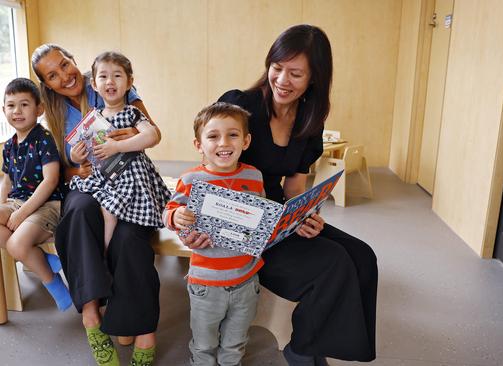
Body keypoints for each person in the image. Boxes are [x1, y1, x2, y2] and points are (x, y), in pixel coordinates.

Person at [183, 25, 378, 365]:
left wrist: (303, 216)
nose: (282, 80)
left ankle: (316, 343)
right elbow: (211, 165)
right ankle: (303, 348)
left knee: (362, 257)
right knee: (332, 264)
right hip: (239, 227)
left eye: (296, 73)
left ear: (314, 78)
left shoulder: (308, 119)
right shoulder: (240, 104)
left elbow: (294, 187)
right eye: (277, 67)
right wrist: (197, 223)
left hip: (276, 218)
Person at [31, 44, 161, 366]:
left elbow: (148, 130)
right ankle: (91, 314)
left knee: (130, 237)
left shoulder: (109, 80)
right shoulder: (56, 111)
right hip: (89, 181)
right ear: (47, 84)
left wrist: (120, 138)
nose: (64, 75)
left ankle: (141, 327)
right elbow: (64, 162)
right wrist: (77, 167)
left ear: (74, 60)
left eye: (65, 64)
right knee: (77, 213)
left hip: (127, 176)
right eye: (53, 75)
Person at [163, 102, 265, 365]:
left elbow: (261, 218)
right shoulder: (190, 180)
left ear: (246, 141)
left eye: (233, 134)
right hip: (206, 282)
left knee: (235, 343)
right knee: (204, 344)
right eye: (213, 136)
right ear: (199, 145)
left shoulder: (254, 176)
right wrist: (176, 216)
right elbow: (169, 213)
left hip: (246, 278)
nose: (223, 143)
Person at [0, 77, 72, 312]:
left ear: (39, 109)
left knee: (17, 246)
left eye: (24, 104)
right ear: (3, 109)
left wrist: (21, 214)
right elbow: (7, 179)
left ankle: (53, 282)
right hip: (18, 202)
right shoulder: (9, 145)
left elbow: (51, 181)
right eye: (11, 105)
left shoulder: (44, 139)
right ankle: (42, 259)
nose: (17, 111)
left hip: (47, 204)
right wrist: (4, 207)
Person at [69, 51, 170, 254]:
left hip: (131, 174)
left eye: (117, 75)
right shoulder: (93, 118)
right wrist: (76, 156)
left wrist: (117, 147)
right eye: (103, 76)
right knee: (102, 209)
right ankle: (101, 253)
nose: (110, 81)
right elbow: (78, 148)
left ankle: (104, 253)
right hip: (105, 174)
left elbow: (151, 136)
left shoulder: (132, 112)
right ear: (95, 85)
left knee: (109, 209)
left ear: (129, 82)